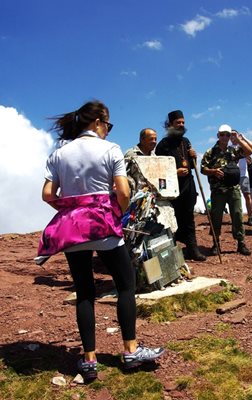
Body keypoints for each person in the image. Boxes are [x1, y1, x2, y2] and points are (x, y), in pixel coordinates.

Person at [40, 100, 164, 380]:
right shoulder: (110, 149)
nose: (108, 129)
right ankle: (130, 351)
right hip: (104, 225)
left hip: (73, 229)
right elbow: (122, 190)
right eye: (107, 124)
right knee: (125, 285)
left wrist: (71, 210)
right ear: (98, 121)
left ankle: (89, 360)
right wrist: (118, 213)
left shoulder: (60, 153)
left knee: (84, 291)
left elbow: (48, 194)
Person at [155, 110, 206, 261]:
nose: (181, 125)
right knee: (172, 219)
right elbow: (159, 169)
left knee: (189, 218)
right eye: (178, 123)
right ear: (170, 124)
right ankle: (172, 254)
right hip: (172, 188)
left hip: (188, 186)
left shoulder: (186, 142)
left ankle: (192, 249)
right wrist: (174, 172)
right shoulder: (163, 145)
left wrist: (193, 158)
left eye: (183, 122)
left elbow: (191, 165)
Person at [201, 125, 252, 256]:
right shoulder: (210, 152)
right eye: (222, 134)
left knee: (237, 215)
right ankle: (215, 243)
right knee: (216, 216)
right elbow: (203, 169)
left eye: (228, 135)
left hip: (233, 188)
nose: (225, 137)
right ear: (218, 135)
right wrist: (213, 171)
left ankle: (241, 243)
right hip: (218, 190)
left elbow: (249, 151)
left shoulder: (233, 150)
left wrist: (239, 139)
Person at [230, 132, 252, 226]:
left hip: (243, 175)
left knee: (247, 195)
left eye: (234, 135)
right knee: (233, 197)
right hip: (233, 175)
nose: (232, 137)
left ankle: (250, 217)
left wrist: (243, 138)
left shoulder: (242, 146)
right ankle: (236, 217)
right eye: (231, 135)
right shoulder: (229, 148)